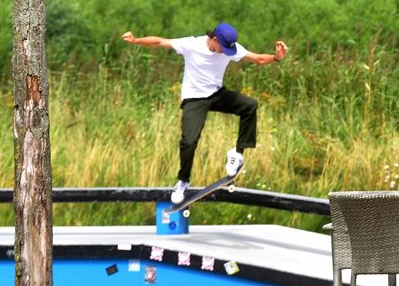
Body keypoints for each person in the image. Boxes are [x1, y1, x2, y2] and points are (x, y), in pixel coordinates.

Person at [122, 22, 288, 203]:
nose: (225, 53)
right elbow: (160, 42)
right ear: (214, 39)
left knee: (249, 105)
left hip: (217, 94)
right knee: (189, 141)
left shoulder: (230, 48)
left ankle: (237, 154)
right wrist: (136, 40)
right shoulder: (192, 45)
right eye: (223, 48)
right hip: (194, 99)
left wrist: (277, 57)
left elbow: (258, 59)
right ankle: (183, 181)